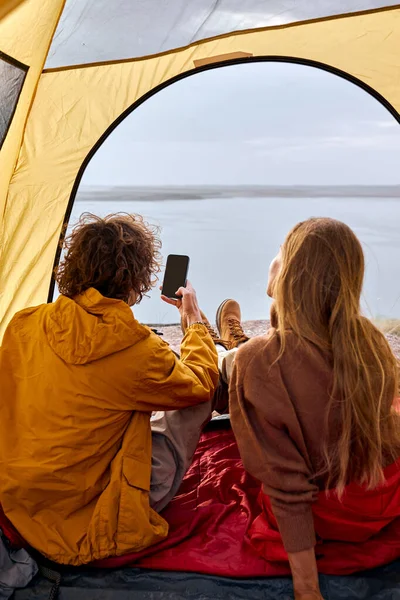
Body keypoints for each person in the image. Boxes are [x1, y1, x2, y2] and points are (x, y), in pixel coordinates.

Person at [0, 212, 222, 566]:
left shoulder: (24, 323)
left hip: (19, 498)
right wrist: (194, 323)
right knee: (200, 391)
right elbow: (198, 384)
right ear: (135, 280)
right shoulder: (135, 350)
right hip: (94, 515)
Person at [212, 218, 400, 600]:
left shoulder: (261, 363)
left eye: (280, 253)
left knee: (227, 369)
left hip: (326, 519)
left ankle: (209, 343)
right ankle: (220, 343)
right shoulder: (372, 344)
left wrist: (308, 589)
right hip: (375, 507)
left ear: (292, 274)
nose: (273, 259)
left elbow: (287, 488)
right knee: (242, 361)